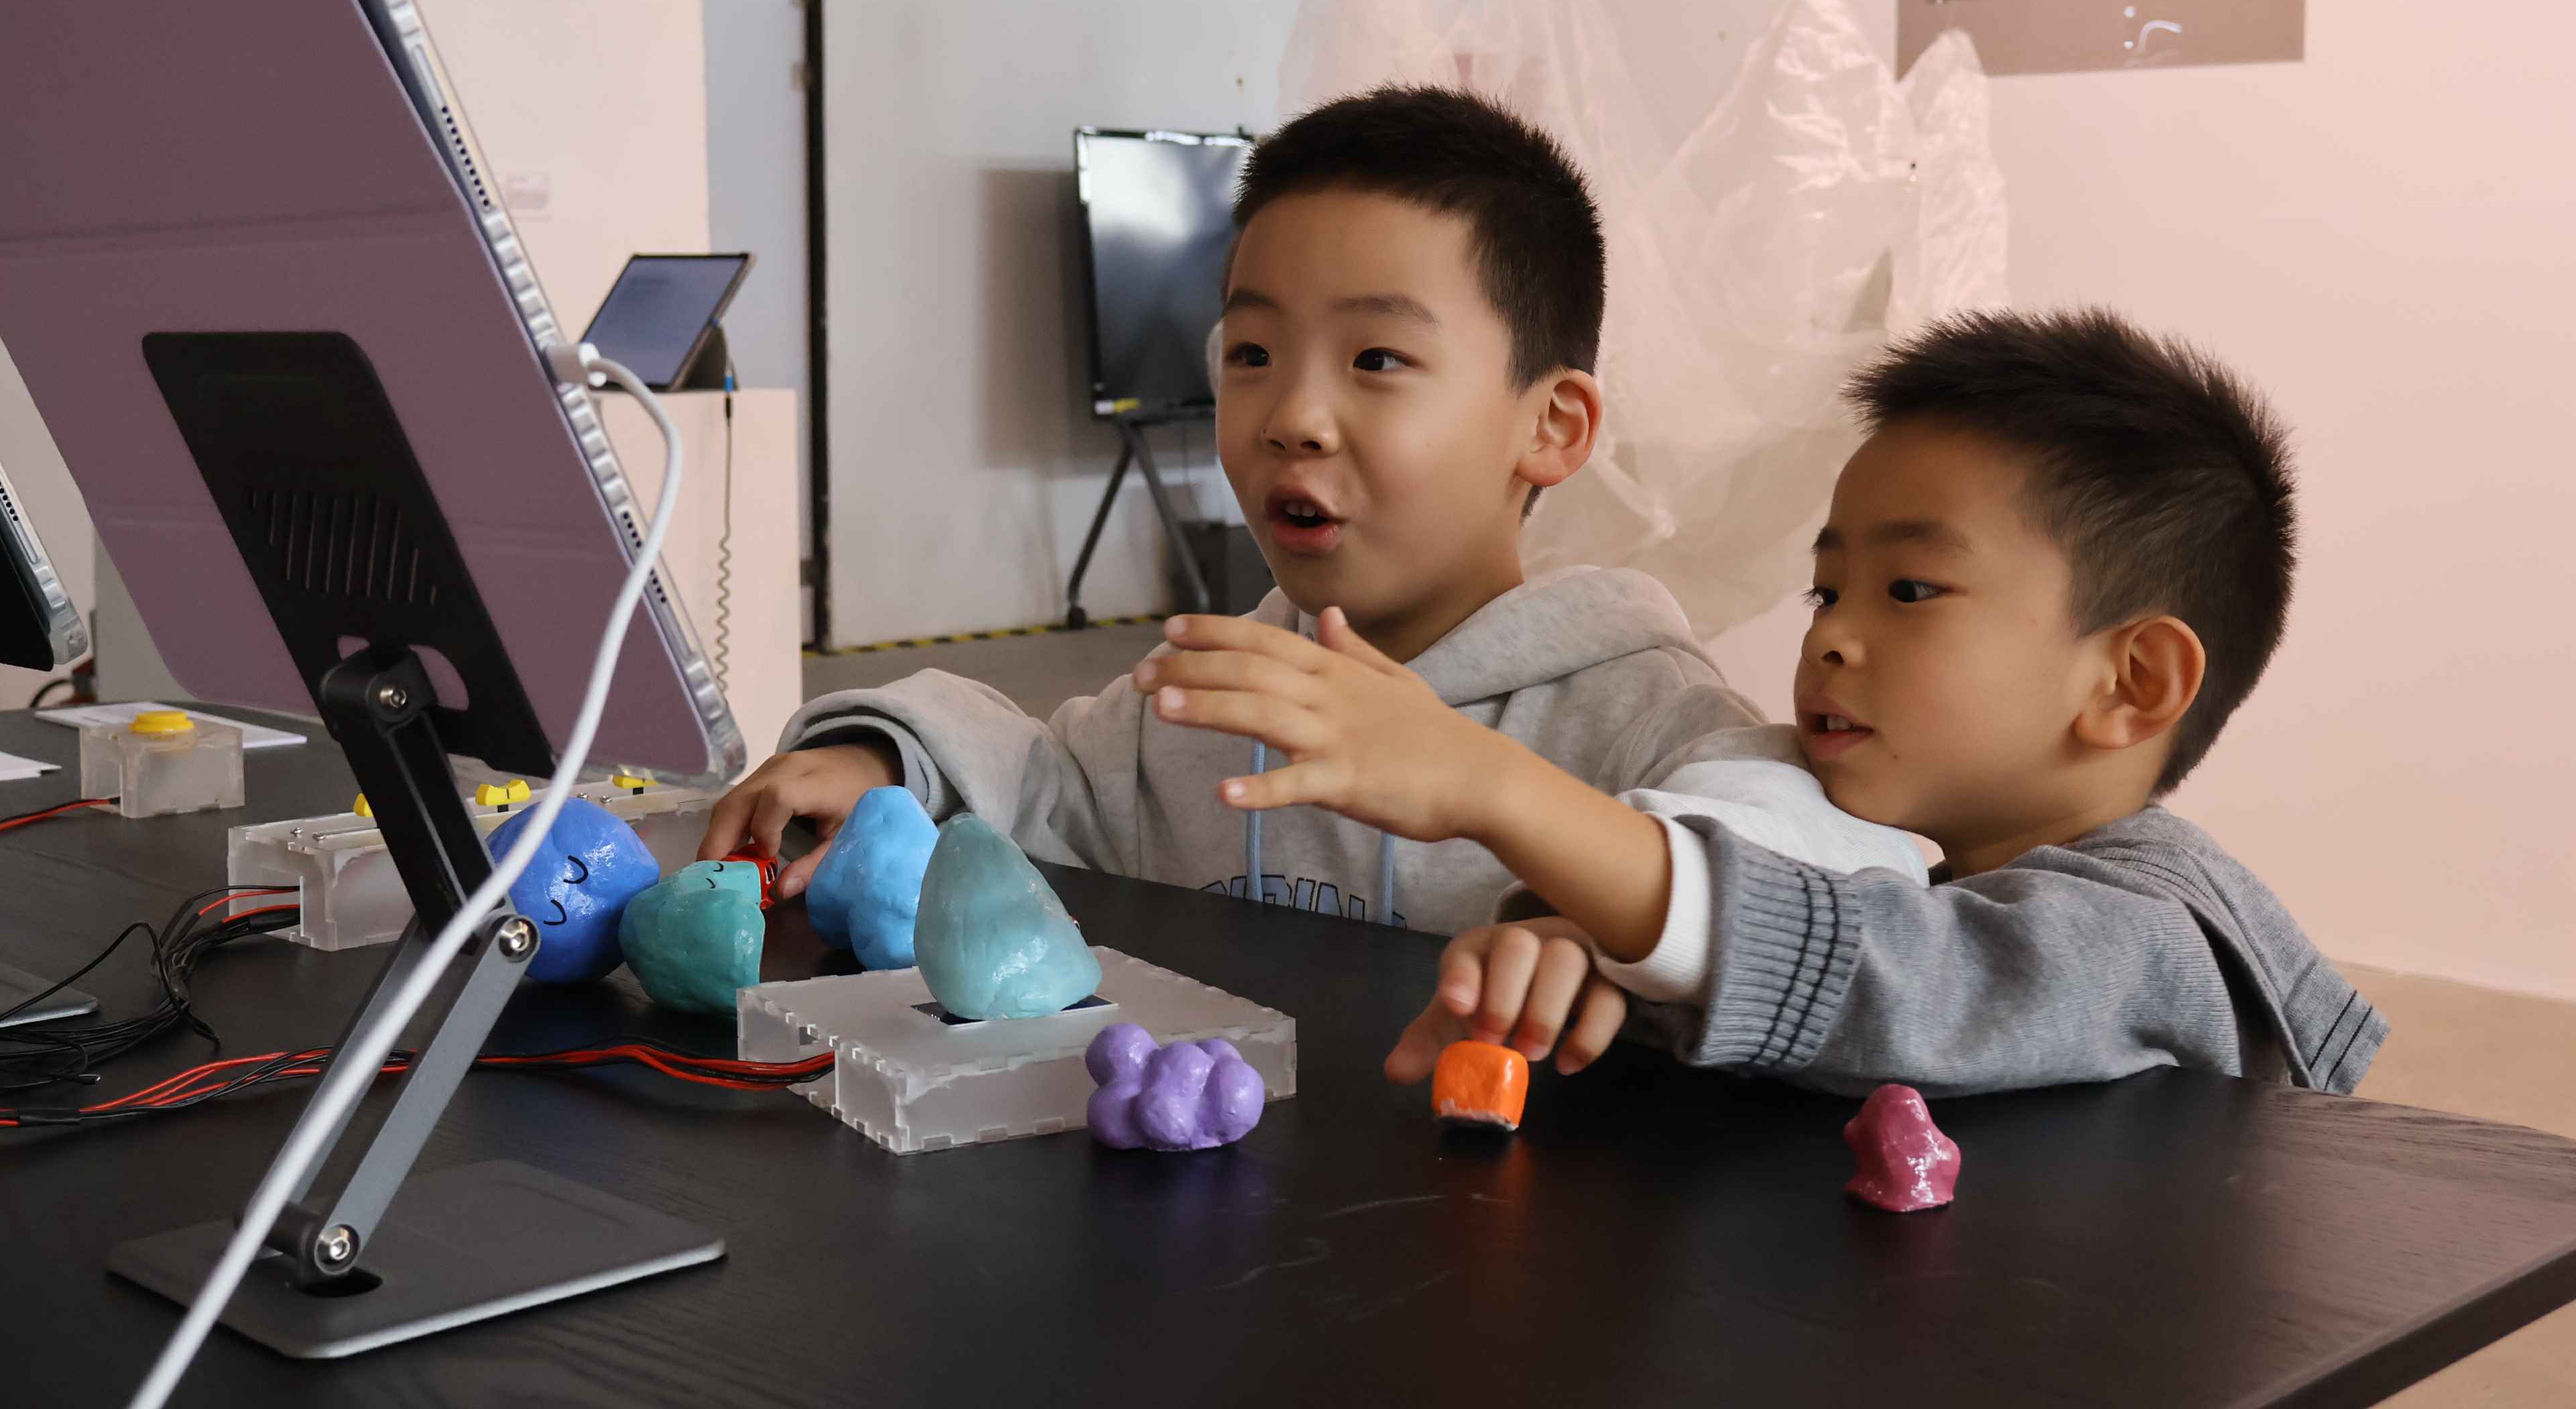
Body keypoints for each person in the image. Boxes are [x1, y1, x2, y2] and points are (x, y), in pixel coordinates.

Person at [701, 86, 1918, 935]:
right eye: (1251, 354)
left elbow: (1823, 890)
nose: (1293, 416)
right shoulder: (1211, 697)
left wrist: (1506, 800)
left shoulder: (1645, 723)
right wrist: (886, 761)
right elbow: (1044, 781)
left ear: (1551, 427)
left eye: (1377, 359)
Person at [1160, 307, 2385, 1094]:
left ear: (2131, 684)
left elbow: (1911, 983)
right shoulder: (1904, 862)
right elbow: (1808, 957)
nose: (1832, 637)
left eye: (1910, 590)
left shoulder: (2156, 937)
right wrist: (1599, 955)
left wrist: (1496, 787)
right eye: (1825, 591)